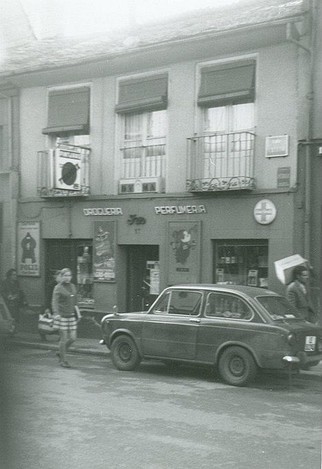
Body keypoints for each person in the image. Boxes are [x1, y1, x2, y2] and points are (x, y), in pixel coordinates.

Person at [52, 268, 79, 368]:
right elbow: (54, 302)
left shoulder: (73, 286)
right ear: (62, 276)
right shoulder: (58, 288)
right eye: (65, 276)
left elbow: (75, 302)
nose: (68, 278)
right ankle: (63, 360)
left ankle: (60, 352)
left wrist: (78, 313)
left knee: (73, 338)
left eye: (69, 275)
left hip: (71, 315)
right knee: (63, 339)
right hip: (62, 316)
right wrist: (56, 314)